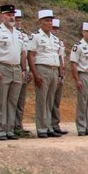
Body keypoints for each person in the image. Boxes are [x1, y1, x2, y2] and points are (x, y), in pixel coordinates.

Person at [27, 9, 64, 138]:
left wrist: (59, 73)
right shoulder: (36, 36)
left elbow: (58, 56)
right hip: (42, 68)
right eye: (47, 20)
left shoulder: (54, 39)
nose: (49, 23)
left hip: (54, 70)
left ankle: (48, 127)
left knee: (50, 100)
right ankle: (41, 128)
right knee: (42, 100)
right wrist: (35, 74)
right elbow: (30, 55)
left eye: (51, 21)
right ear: (40, 22)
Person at [0, 3, 25, 141]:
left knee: (13, 102)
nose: (11, 17)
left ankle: (10, 130)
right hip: (3, 67)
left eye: (13, 15)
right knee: (1, 101)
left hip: (16, 69)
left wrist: (23, 69)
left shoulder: (18, 33)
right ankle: (1, 130)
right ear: (2, 16)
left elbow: (23, 53)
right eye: (8, 15)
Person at [11, 9, 28, 136]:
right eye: (15, 19)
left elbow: (27, 54)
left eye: (19, 20)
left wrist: (27, 70)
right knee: (6, 100)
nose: (17, 22)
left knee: (20, 100)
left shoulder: (24, 35)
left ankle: (18, 125)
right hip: (8, 68)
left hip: (23, 70)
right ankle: (5, 126)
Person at [50, 18, 68, 135]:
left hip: (58, 73)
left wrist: (61, 74)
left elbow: (62, 59)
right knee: (49, 100)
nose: (55, 31)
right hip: (51, 71)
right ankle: (48, 125)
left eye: (56, 29)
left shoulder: (59, 42)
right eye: (53, 28)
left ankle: (55, 124)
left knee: (56, 101)